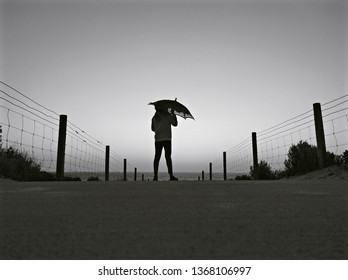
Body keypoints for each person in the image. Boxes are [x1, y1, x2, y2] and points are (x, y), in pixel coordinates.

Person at [151, 106, 178, 181]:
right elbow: (175, 124)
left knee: (157, 157)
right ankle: (171, 175)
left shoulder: (154, 118)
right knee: (168, 157)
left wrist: (159, 127)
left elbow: (153, 129)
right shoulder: (167, 115)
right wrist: (173, 114)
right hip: (167, 139)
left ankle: (155, 176)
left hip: (158, 139)